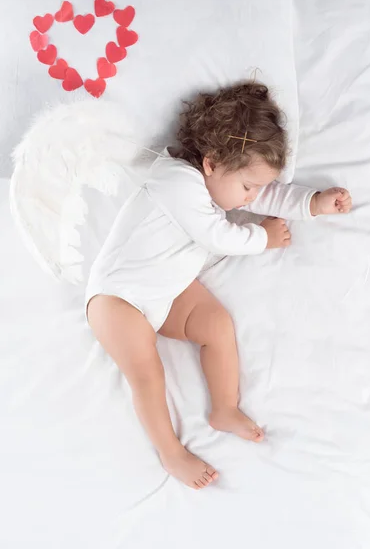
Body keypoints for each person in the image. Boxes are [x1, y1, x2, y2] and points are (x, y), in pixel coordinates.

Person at [86, 81, 352, 490]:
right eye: (248, 186)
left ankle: (225, 408)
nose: (252, 197)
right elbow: (217, 236)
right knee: (147, 371)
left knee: (216, 324)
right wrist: (264, 238)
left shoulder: (221, 182)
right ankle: (172, 453)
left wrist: (313, 203)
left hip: (166, 292)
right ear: (211, 163)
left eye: (256, 188)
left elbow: (268, 198)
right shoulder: (176, 181)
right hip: (117, 299)